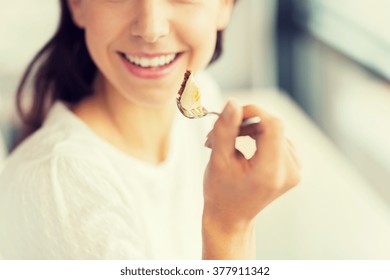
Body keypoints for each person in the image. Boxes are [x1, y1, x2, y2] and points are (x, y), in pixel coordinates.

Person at [0, 0, 300, 259]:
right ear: (77, 5)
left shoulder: (201, 95)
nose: (150, 28)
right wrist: (230, 226)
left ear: (225, 5)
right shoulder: (58, 187)